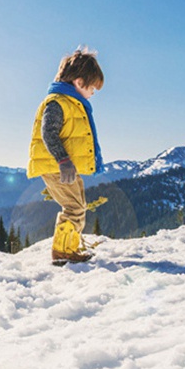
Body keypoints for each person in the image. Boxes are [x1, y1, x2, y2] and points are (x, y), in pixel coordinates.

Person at [27, 47, 105, 264]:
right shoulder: (57, 103)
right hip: (57, 166)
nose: (93, 94)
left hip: (64, 166)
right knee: (74, 208)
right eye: (92, 88)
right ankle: (63, 252)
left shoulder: (70, 103)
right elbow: (48, 133)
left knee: (77, 205)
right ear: (79, 83)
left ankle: (69, 246)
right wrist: (63, 160)